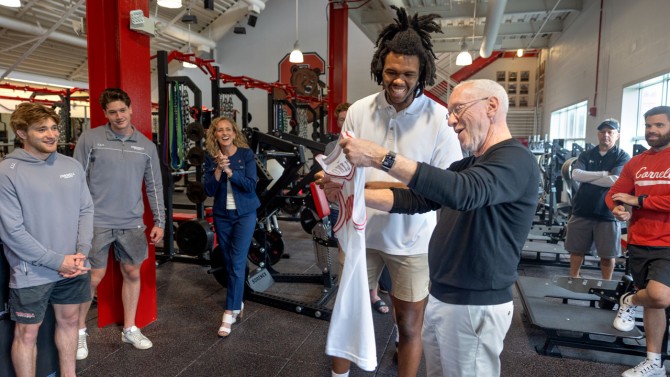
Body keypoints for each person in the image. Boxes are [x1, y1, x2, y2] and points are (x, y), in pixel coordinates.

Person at [324, 79, 540, 376]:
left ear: (491, 106)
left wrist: (379, 156)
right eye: (449, 112)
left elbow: (462, 193)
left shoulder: (515, 159)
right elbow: (414, 198)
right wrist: (350, 193)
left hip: (473, 304)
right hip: (443, 297)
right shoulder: (472, 165)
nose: (450, 120)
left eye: (458, 109)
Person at [327, 6, 463, 377]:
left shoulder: (439, 121)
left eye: (407, 74)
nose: (398, 80)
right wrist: (333, 182)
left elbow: (441, 189)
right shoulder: (359, 111)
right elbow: (344, 168)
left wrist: (372, 182)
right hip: (360, 234)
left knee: (408, 326)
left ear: (423, 75)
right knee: (347, 312)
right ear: (379, 69)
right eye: (391, 72)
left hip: (412, 241)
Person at [0, 103, 93, 377]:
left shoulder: (71, 166)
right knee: (27, 334)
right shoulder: (7, 171)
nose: (51, 134)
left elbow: (86, 210)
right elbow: (11, 231)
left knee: (70, 322)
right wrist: (57, 261)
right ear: (21, 133)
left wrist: (81, 252)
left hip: (74, 265)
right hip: (32, 271)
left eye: (54, 127)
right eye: (41, 129)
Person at [74, 88, 165, 359]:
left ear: (131, 109)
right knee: (93, 277)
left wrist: (160, 220)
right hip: (97, 221)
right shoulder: (90, 139)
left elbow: (154, 187)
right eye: (112, 112)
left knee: (132, 273)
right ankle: (79, 331)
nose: (118, 116)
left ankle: (129, 328)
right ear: (105, 114)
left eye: (122, 110)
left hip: (132, 223)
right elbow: (77, 180)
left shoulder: (146, 146)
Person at [607, 106, 670, 377]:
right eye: (648, 125)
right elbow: (615, 192)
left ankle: (629, 300)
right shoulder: (637, 162)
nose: (652, 131)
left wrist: (640, 201)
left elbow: (637, 198)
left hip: (667, 242)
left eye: (659, 125)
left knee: (658, 296)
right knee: (654, 303)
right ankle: (654, 361)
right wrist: (617, 208)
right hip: (640, 240)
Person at [202, 116, 259, 337]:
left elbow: (251, 186)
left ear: (234, 133)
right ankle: (238, 302)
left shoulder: (246, 155)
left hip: (244, 214)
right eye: (219, 130)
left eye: (228, 129)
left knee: (236, 261)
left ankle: (229, 312)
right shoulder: (211, 158)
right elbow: (208, 190)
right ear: (214, 134)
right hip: (222, 215)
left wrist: (230, 173)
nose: (224, 133)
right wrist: (217, 170)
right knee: (228, 261)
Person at [565, 119, 630, 280]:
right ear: (598, 134)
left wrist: (588, 177)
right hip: (582, 210)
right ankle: (574, 279)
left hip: (608, 212)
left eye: (610, 132)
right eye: (602, 132)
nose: (606, 135)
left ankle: (606, 284)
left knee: (608, 254)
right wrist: (603, 174)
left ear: (617, 135)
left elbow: (615, 180)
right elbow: (575, 175)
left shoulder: (623, 156)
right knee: (576, 250)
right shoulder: (587, 154)